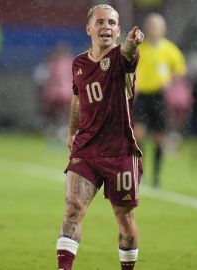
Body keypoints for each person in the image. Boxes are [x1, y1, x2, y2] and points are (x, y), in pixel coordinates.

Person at [56, 4, 144, 270]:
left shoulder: (122, 57)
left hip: (120, 152)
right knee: (72, 209)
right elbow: (76, 99)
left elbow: (129, 51)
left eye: (112, 23)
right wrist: (72, 131)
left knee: (125, 221)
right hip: (86, 149)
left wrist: (132, 43)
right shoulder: (79, 63)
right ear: (89, 28)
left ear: (118, 30)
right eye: (101, 22)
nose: (106, 27)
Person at [134, 13, 186, 187]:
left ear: (163, 29)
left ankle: (156, 177)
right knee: (138, 135)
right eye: (151, 26)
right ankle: (139, 174)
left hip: (159, 97)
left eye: (156, 26)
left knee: (159, 138)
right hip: (142, 97)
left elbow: (180, 70)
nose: (153, 29)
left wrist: (170, 79)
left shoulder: (170, 49)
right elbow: (130, 69)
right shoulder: (139, 48)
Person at [33, 42, 74, 142]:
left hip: (55, 95)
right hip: (67, 95)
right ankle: (61, 135)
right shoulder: (72, 63)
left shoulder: (52, 64)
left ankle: (56, 135)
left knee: (55, 117)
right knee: (64, 117)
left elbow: (42, 79)